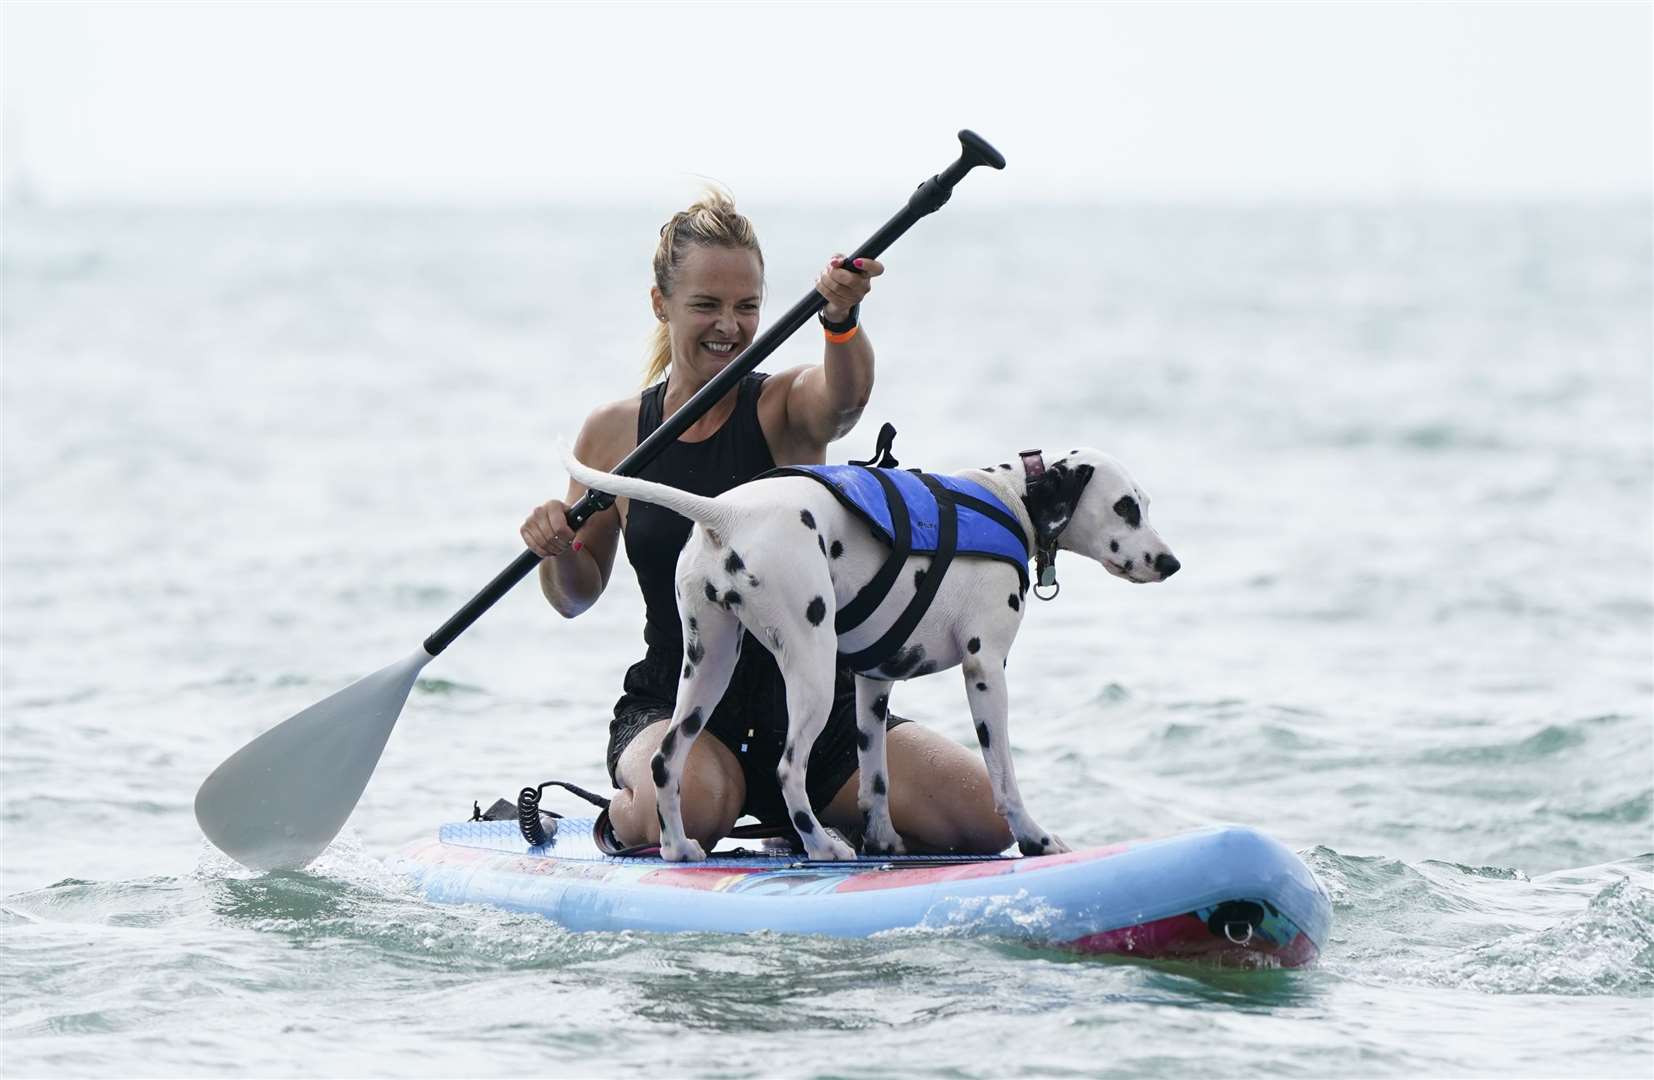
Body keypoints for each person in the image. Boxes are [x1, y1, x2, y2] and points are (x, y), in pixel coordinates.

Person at [520, 191, 1011, 854]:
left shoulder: (783, 409)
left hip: (817, 714)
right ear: (660, 304)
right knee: (691, 809)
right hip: (679, 707)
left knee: (987, 822)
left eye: (747, 306)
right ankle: (617, 821)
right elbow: (574, 597)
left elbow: (845, 400)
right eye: (706, 305)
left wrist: (841, 319)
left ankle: (809, 816)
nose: (729, 324)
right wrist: (557, 547)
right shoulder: (611, 436)